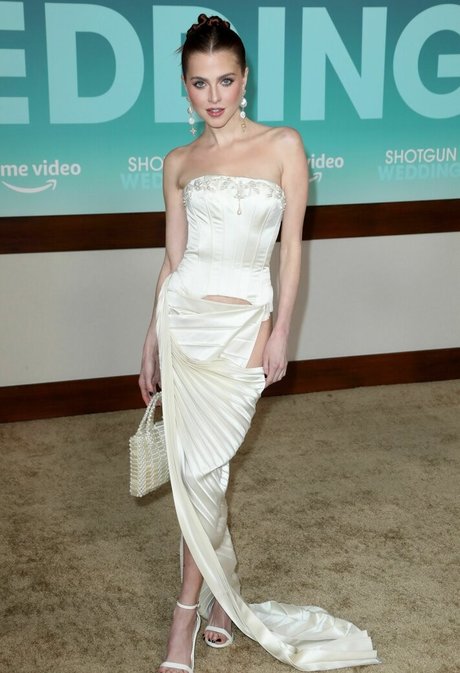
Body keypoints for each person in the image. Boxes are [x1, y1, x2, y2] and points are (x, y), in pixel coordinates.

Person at [139, 14, 379, 673]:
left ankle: (198, 606)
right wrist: (149, 338)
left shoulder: (283, 146)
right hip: (183, 322)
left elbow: (292, 252)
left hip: (246, 325)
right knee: (198, 477)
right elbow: (172, 259)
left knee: (207, 472)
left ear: (244, 79)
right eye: (199, 83)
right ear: (185, 87)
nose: (212, 96)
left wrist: (281, 331)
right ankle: (200, 607)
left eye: (224, 80)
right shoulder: (179, 162)